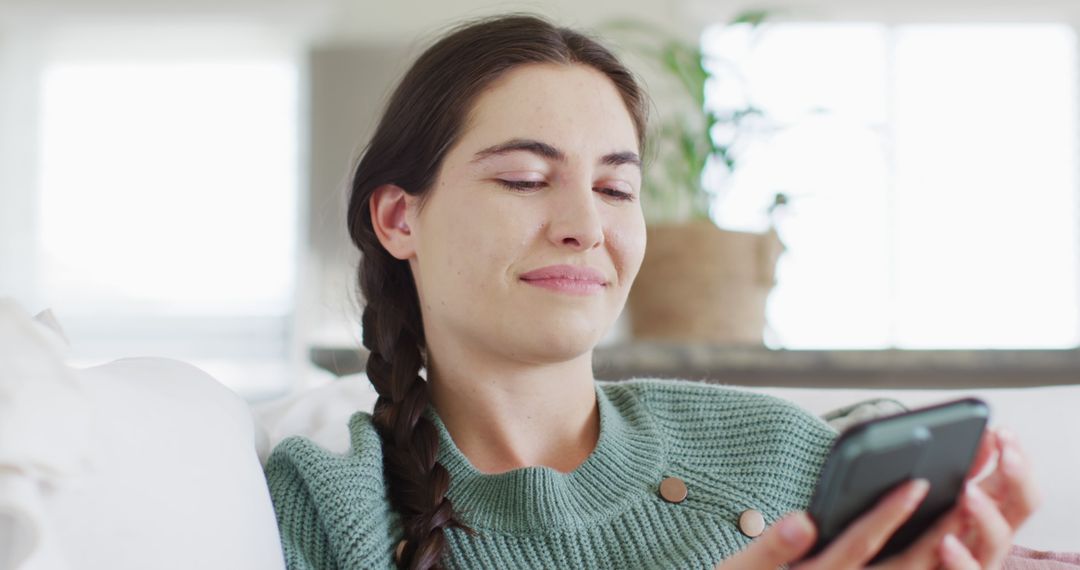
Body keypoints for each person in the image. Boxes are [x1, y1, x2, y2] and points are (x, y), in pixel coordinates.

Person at [262, 14, 1040, 570]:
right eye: (525, 179)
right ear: (400, 218)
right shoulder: (327, 503)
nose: (584, 225)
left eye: (615, 187)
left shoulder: (779, 455)